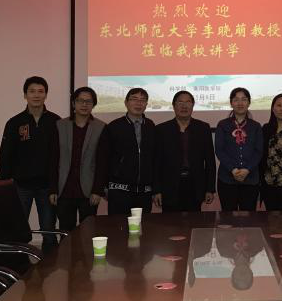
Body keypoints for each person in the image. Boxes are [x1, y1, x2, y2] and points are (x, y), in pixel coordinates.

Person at [0, 75, 60, 251]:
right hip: (20, 186)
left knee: (48, 230)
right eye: (32, 91)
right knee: (18, 230)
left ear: (46, 95)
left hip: (47, 187)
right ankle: (19, 263)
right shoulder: (14, 123)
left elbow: (60, 156)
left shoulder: (56, 121)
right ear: (25, 95)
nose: (36, 95)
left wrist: (56, 186)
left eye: (41, 91)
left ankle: (50, 263)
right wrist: (5, 184)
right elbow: (5, 155)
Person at [48, 86, 107, 232]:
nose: (84, 104)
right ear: (73, 103)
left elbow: (102, 163)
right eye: (80, 101)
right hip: (64, 189)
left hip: (89, 191)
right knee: (66, 231)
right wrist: (53, 188)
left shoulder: (101, 127)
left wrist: (97, 190)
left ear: (93, 104)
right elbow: (53, 159)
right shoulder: (59, 125)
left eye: (89, 101)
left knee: (88, 232)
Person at [154, 90, 216, 212]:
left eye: (188, 102)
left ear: (193, 105)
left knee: (194, 221)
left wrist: (210, 188)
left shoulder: (203, 128)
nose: (184, 106)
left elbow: (210, 160)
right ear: (174, 106)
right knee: (170, 222)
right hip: (169, 186)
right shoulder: (161, 129)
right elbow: (156, 162)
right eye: (180, 102)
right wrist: (156, 190)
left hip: (195, 185)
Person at [100, 87, 157, 216]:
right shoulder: (114, 126)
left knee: (142, 226)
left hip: (144, 191)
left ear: (146, 104)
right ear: (126, 102)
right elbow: (104, 158)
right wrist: (103, 186)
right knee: (118, 226)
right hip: (119, 190)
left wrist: (155, 188)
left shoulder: (151, 126)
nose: (138, 103)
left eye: (142, 100)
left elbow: (155, 158)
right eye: (134, 99)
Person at [214, 87, 263, 211]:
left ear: (249, 103)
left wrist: (247, 169)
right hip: (227, 179)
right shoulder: (222, 125)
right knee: (228, 217)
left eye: (244, 99)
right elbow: (219, 150)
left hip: (250, 179)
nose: (240, 103)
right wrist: (233, 169)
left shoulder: (256, 126)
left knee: (249, 217)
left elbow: (258, 151)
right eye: (236, 100)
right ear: (231, 103)